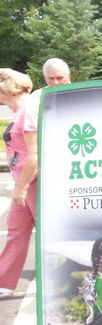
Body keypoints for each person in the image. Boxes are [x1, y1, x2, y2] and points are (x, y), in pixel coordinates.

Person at [0, 69, 39, 295]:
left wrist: (22, 188)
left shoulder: (28, 112)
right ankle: (4, 281)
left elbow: (34, 157)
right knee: (16, 231)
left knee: (45, 232)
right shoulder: (21, 112)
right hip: (23, 182)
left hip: (31, 183)